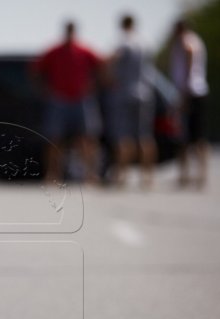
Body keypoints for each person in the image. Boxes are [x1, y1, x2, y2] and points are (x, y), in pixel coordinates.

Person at [32, 21, 105, 184]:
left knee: (87, 139)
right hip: (59, 99)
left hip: (81, 99)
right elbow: (36, 69)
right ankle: (52, 174)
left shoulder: (84, 50)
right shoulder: (54, 51)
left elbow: (102, 65)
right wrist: (44, 89)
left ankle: (90, 175)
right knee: (54, 139)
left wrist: (94, 85)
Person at [110, 14, 156, 189]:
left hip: (125, 93)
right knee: (145, 136)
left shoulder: (124, 41)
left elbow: (113, 58)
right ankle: (148, 177)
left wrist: (110, 77)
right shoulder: (146, 42)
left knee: (123, 136)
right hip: (145, 93)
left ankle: (122, 176)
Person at [169, 19, 209, 189]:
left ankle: (188, 175)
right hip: (195, 92)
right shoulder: (195, 39)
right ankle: (197, 175)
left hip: (190, 93)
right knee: (194, 136)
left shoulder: (186, 42)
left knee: (187, 136)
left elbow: (189, 51)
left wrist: (184, 90)